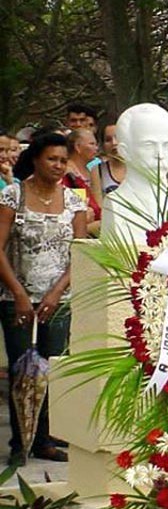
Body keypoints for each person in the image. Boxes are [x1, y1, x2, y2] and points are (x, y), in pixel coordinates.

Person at [0, 133, 88, 465]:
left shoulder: (76, 201)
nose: (58, 166)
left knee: (52, 368)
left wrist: (56, 292)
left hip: (59, 298)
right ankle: (20, 442)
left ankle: (45, 439)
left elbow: (80, 253)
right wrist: (20, 295)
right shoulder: (12, 196)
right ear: (36, 158)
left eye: (63, 160)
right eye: (52, 159)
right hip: (16, 297)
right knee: (22, 368)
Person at [90, 124, 126, 199]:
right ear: (102, 145)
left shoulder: (140, 166)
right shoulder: (97, 168)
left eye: (118, 137)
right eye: (108, 140)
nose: (114, 143)